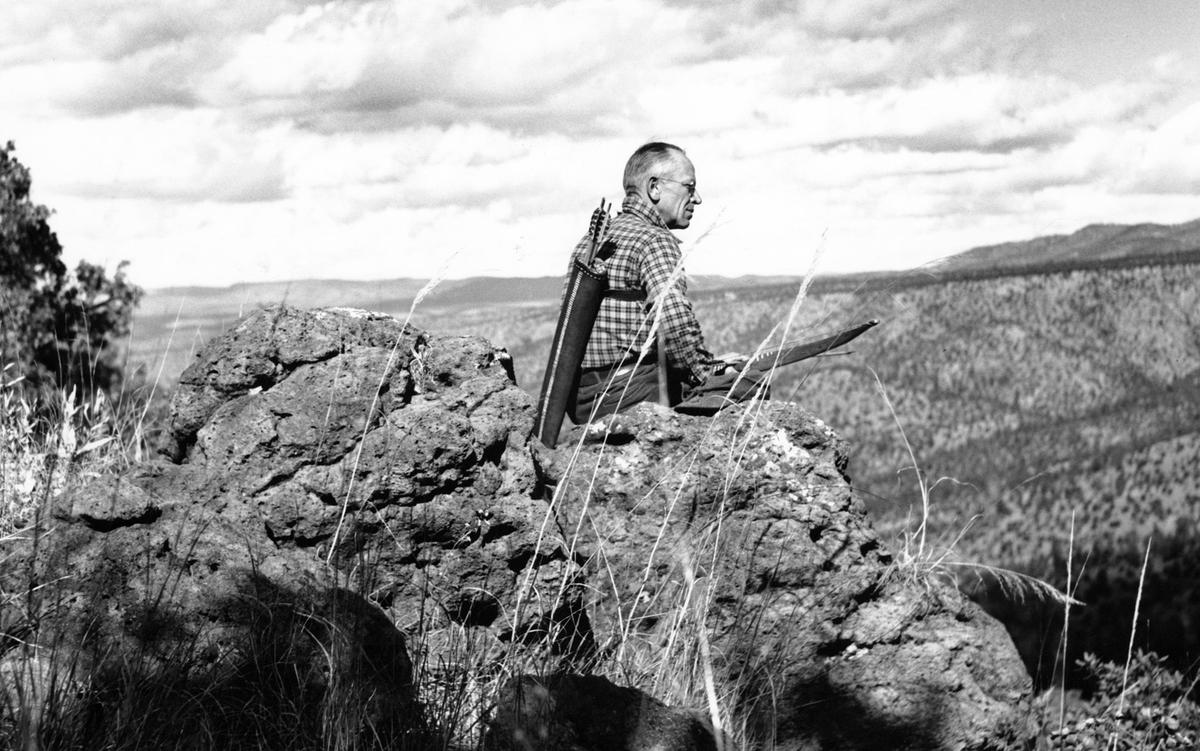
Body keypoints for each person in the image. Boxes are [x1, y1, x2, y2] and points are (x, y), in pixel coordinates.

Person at [566, 142, 755, 423]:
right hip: (631, 394)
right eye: (689, 187)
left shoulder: (591, 241)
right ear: (654, 188)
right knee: (750, 385)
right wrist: (707, 371)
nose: (697, 198)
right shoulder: (655, 240)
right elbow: (673, 323)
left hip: (583, 400)